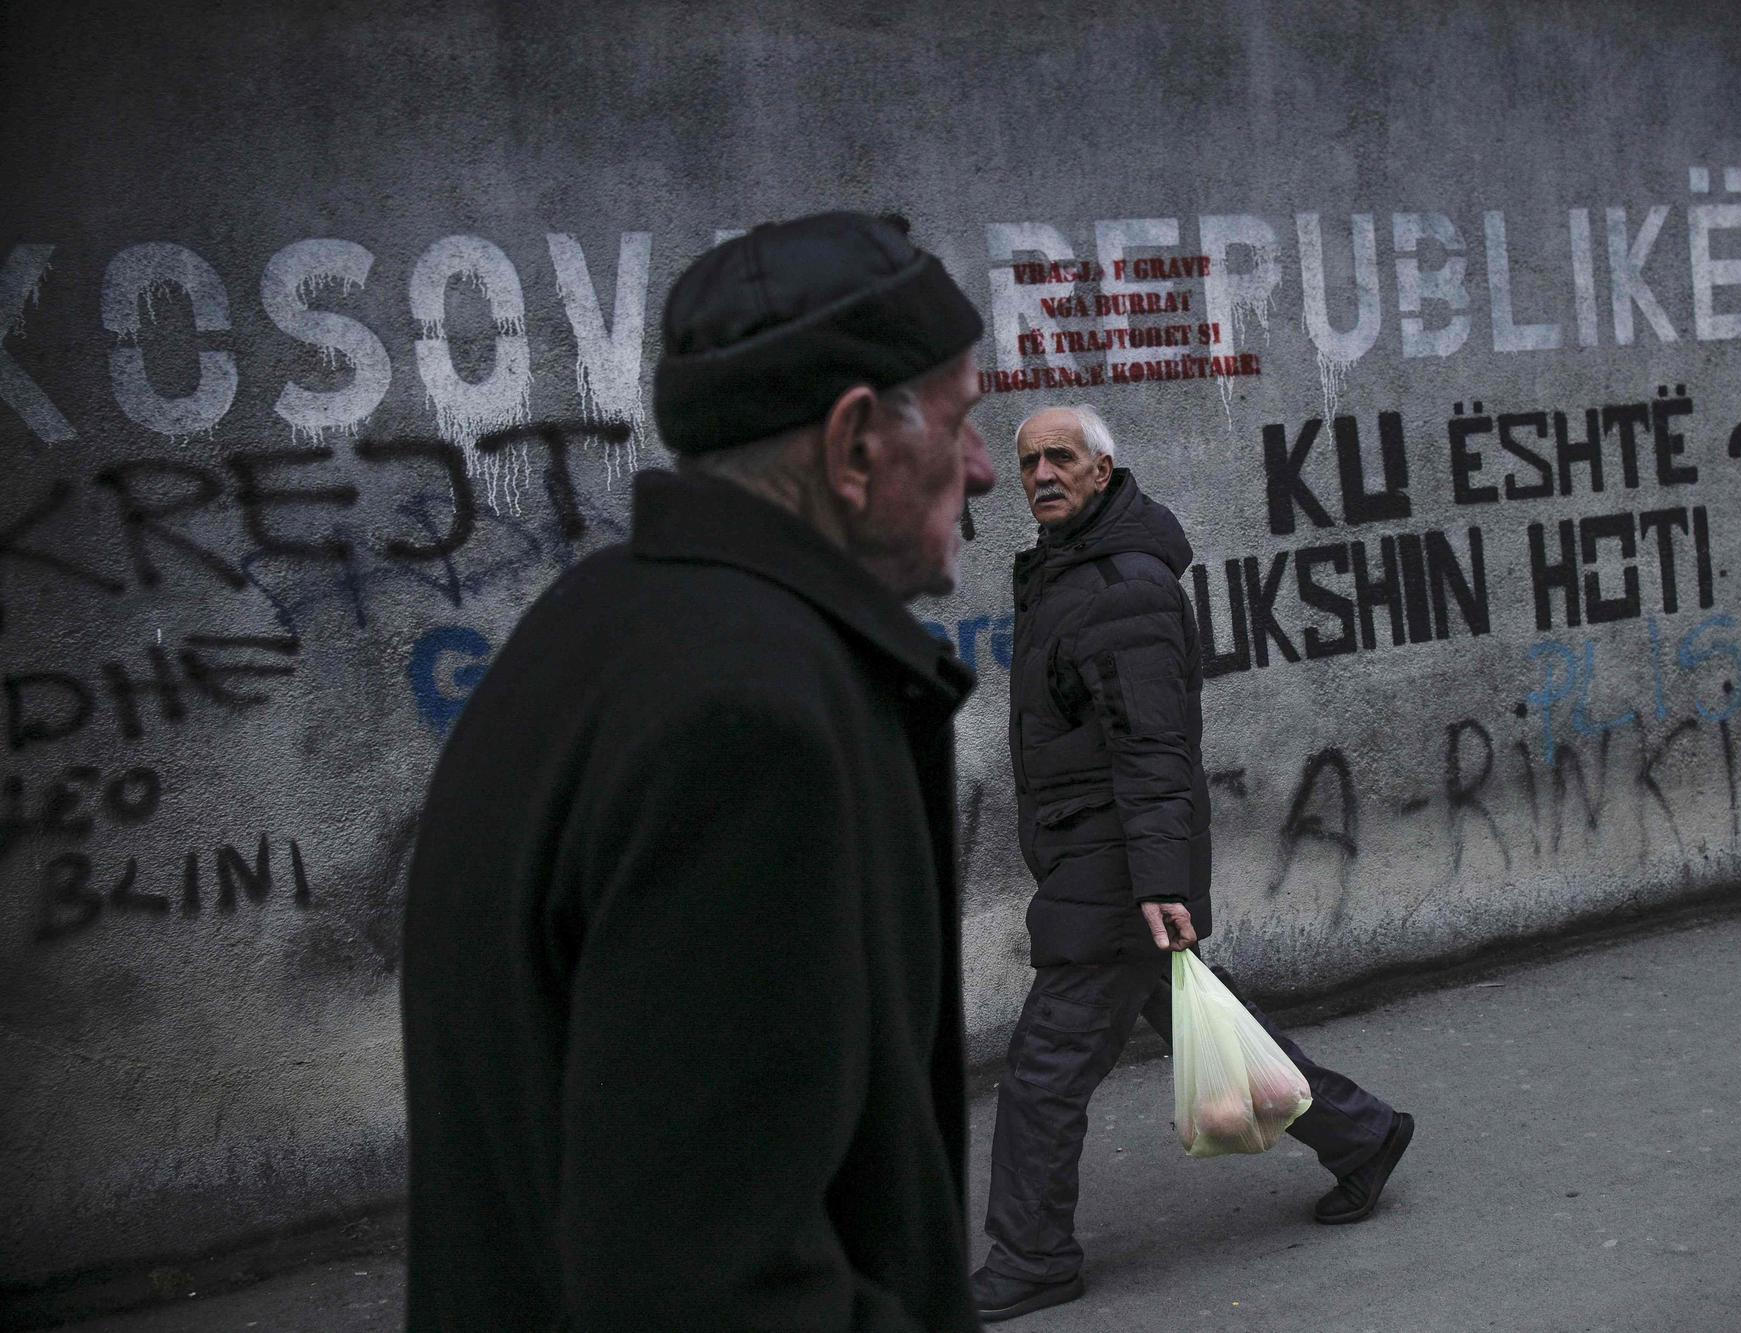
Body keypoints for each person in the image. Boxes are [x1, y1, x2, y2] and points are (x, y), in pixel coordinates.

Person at [401, 212, 996, 1331]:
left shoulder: (595, 622)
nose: (980, 467)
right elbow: (710, 1281)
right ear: (855, 443)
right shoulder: (747, 724)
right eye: (962, 421)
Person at [969, 405, 1415, 1322]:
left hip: (1114, 860)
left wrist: (1162, 881)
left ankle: (1033, 1254)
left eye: (1062, 457)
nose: (1042, 473)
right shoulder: (1070, 571)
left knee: (1044, 1071)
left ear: (1103, 470)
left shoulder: (1119, 584)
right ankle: (1360, 1132)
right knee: (1198, 1021)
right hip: (1102, 852)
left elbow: (1153, 746)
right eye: (1028, 462)